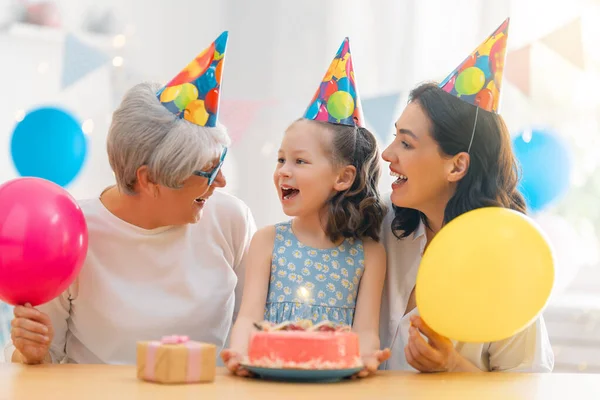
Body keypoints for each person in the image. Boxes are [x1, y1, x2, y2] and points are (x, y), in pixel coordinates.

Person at [5, 32, 257, 365]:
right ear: (148, 179)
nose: (221, 182)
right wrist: (30, 353)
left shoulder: (231, 221)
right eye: (207, 173)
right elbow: (42, 363)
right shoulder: (69, 234)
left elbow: (253, 340)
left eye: (219, 163)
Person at [378, 19, 554, 373]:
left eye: (407, 143)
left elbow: (529, 387)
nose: (387, 154)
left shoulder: (507, 260)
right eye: (395, 136)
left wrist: (452, 366)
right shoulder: (379, 227)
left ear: (457, 167)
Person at [222, 38, 390, 377]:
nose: (284, 170)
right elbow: (248, 318)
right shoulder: (267, 241)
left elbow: (366, 331)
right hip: (269, 379)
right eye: (281, 158)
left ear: (343, 177)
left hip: (335, 382)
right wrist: (238, 354)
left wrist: (367, 359)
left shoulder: (369, 253)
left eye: (300, 161)